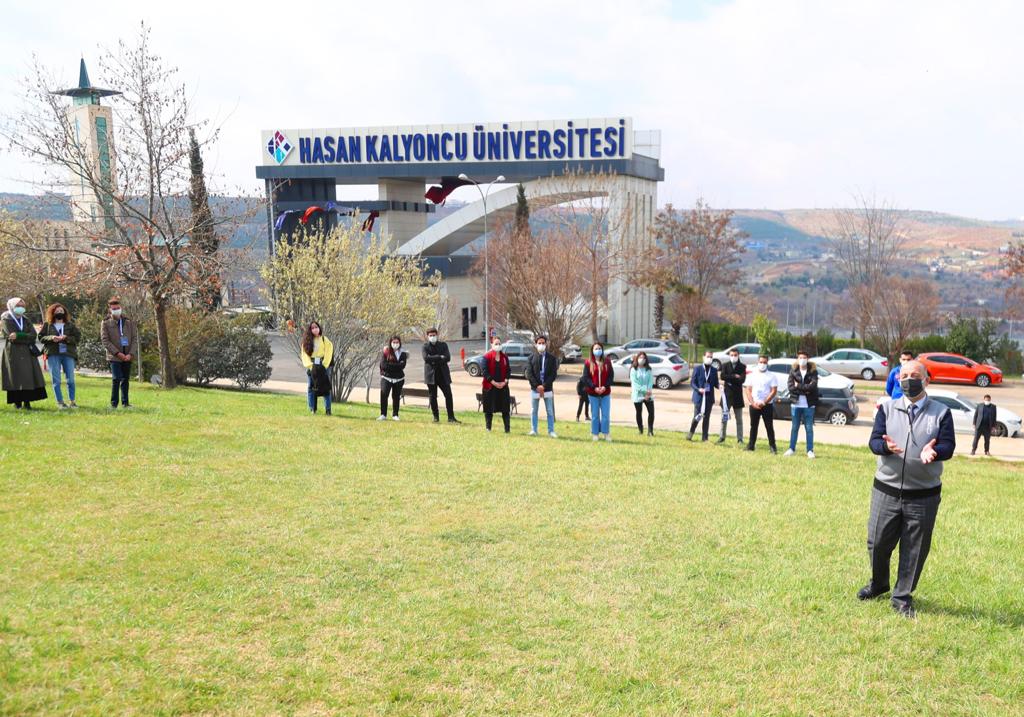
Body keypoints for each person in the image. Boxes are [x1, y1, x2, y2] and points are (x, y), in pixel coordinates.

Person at [861, 359, 955, 618]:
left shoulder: (941, 413)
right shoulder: (887, 408)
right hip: (886, 489)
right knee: (877, 542)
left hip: (923, 495)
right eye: (903, 376)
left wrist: (934, 451)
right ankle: (878, 584)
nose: (908, 380)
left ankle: (902, 597)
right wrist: (885, 447)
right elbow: (874, 441)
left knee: (915, 549)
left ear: (926, 380)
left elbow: (948, 446)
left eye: (914, 375)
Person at [2, 297, 47, 409]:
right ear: (12, 306)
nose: (21, 308)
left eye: (22, 306)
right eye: (18, 306)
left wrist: (19, 335)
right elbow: (11, 336)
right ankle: (17, 403)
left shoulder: (25, 319)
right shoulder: (6, 318)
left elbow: (33, 335)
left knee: (28, 376)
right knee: (16, 376)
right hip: (13, 351)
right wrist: (24, 336)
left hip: (27, 351)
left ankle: (27, 402)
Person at [38, 303, 81, 409]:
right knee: (56, 380)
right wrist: (51, 338)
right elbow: (41, 338)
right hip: (53, 354)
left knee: (70, 379)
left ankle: (72, 401)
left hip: (68, 354)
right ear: (52, 313)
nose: (59, 313)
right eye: (57, 311)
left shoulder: (70, 325)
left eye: (61, 311)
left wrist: (67, 338)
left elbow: (78, 338)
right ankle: (60, 402)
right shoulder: (47, 325)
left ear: (65, 313)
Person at [100, 298, 136, 409]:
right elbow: (105, 341)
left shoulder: (128, 322)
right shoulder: (105, 322)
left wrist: (131, 354)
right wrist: (117, 353)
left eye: (118, 308)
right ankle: (114, 404)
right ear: (110, 310)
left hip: (127, 355)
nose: (117, 310)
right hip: (115, 356)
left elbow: (134, 339)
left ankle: (125, 403)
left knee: (125, 379)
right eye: (114, 309)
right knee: (116, 379)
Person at [785, 350, 818, 459]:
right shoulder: (793, 371)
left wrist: (798, 385)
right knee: (795, 427)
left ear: (807, 359)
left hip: (809, 405)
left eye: (804, 357)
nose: (802, 360)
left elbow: (813, 387)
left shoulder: (813, 372)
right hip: (796, 404)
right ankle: (791, 448)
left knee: (809, 429)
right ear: (797, 359)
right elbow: (790, 387)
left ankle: (810, 450)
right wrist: (805, 389)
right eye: (800, 357)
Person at [743, 354, 778, 454]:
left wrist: (764, 402)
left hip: (767, 405)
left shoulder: (772, 376)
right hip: (754, 405)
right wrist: (752, 403)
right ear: (758, 362)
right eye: (761, 362)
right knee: (753, 426)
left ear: (767, 363)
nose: (762, 364)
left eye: (764, 362)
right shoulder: (752, 375)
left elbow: (773, 391)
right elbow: (748, 390)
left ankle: (772, 447)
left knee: (769, 426)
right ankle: (751, 445)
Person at [525, 335, 559, 437]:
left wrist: (544, 386)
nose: (541, 345)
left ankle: (551, 431)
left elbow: (553, 374)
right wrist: (537, 386)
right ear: (536, 344)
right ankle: (534, 430)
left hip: (547, 389)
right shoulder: (531, 358)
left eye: (543, 343)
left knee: (549, 411)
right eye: (539, 343)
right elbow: (529, 374)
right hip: (535, 389)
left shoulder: (552, 358)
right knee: (534, 410)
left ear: (546, 344)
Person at [423, 328, 459, 423]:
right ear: (427, 336)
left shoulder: (443, 345)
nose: (432, 337)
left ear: (437, 335)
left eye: (434, 335)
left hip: (443, 375)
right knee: (433, 396)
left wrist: (433, 359)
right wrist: (439, 357)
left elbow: (447, 358)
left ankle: (451, 417)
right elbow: (426, 358)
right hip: (431, 375)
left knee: (448, 395)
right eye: (430, 335)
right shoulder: (425, 346)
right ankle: (436, 417)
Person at [300, 321, 333, 415]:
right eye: (313, 328)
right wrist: (310, 366)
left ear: (319, 328)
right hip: (312, 365)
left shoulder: (324, 339)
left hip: (323, 365)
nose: (315, 329)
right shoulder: (307, 341)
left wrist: (324, 366)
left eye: (316, 327)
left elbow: (329, 352)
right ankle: (312, 408)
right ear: (310, 330)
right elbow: (304, 355)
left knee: (325, 387)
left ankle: (328, 409)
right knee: (311, 387)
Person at [583, 342, 613, 442]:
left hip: (605, 393)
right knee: (595, 415)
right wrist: (594, 387)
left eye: (599, 348)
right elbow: (586, 377)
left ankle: (606, 433)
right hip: (593, 394)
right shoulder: (588, 362)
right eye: (596, 349)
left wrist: (605, 387)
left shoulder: (607, 362)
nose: (598, 350)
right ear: (592, 350)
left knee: (605, 415)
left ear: (602, 350)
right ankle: (595, 433)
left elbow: (611, 376)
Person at [688, 350, 719, 441]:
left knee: (706, 418)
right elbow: (692, 383)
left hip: (709, 398)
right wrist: (698, 389)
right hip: (699, 397)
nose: (709, 358)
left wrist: (720, 386)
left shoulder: (714, 370)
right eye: (708, 356)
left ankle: (705, 438)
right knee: (697, 416)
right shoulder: (697, 369)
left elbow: (715, 383)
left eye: (711, 357)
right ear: (704, 357)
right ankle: (690, 433)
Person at [482, 336, 511, 433]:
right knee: (489, 409)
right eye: (496, 344)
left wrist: (505, 381)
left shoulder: (505, 357)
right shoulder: (486, 357)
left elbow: (508, 371)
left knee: (505, 409)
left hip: (503, 387)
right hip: (490, 387)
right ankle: (488, 428)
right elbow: (484, 372)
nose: (498, 345)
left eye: (499, 344)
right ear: (492, 345)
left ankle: (507, 429)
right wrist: (494, 382)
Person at [719, 347, 746, 443]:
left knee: (739, 419)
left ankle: (740, 439)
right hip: (727, 395)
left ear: (738, 355)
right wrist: (734, 376)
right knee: (724, 418)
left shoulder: (742, 366)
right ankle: (722, 437)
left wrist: (729, 379)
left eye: (735, 355)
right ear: (729, 355)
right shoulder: (725, 365)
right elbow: (722, 376)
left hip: (738, 396)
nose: (733, 357)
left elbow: (742, 380)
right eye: (731, 355)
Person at [378, 335, 407, 421]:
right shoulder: (386, 352)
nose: (395, 344)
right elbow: (383, 365)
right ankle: (383, 414)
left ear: (400, 343)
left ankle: (395, 415)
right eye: (393, 342)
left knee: (396, 397)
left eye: (397, 342)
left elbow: (402, 366)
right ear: (390, 343)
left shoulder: (403, 353)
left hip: (399, 379)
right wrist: (397, 365)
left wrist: (391, 365)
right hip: (386, 378)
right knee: (384, 395)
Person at [630, 351, 655, 436]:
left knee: (651, 412)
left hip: (648, 394)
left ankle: (650, 431)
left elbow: (650, 381)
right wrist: (645, 391)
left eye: (644, 358)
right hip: (638, 394)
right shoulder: (633, 369)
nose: (642, 359)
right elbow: (635, 384)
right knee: (639, 412)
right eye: (640, 357)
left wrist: (648, 392)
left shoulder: (648, 369)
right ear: (637, 358)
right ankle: (640, 430)